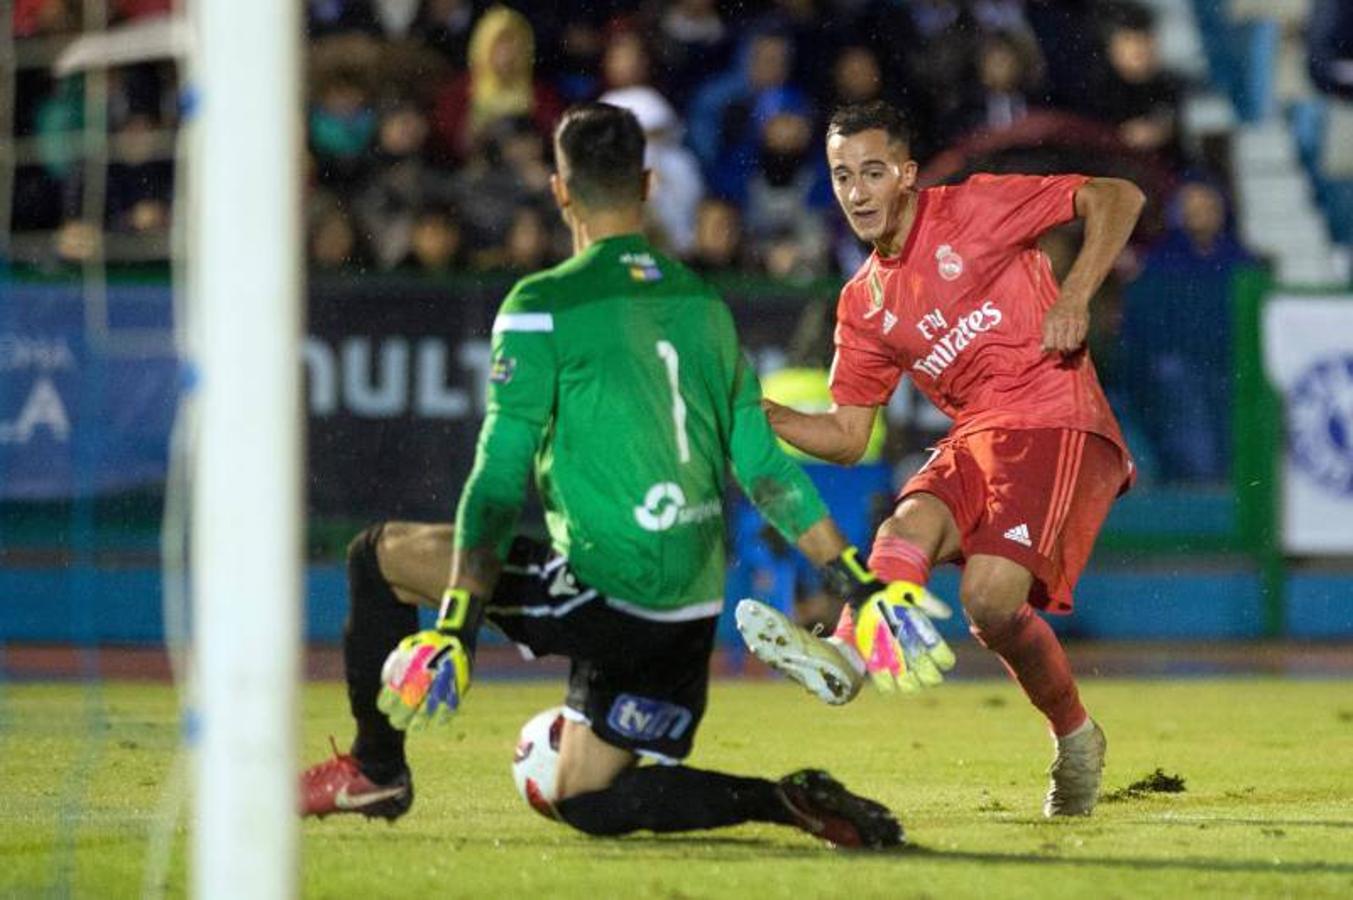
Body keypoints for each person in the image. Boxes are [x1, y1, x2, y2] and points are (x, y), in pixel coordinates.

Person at [299, 102, 952, 848]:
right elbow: (764, 469)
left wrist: (454, 625)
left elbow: (496, 475)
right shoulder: (704, 307)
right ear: (646, 185)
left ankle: (376, 769)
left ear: (559, 191)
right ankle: (786, 801)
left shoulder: (541, 306)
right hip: (687, 611)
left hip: (606, 591)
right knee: (585, 798)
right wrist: (855, 583)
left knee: (375, 555)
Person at [737, 100, 1145, 818]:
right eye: (841, 176)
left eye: (872, 172)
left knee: (988, 600)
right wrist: (758, 414)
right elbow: (846, 435)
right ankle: (845, 654)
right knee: (904, 529)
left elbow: (1117, 195)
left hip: (1053, 415)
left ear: (906, 174)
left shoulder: (975, 207)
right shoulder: (862, 303)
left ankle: (1072, 737)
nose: (857, 191)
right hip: (975, 435)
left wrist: (1075, 294)